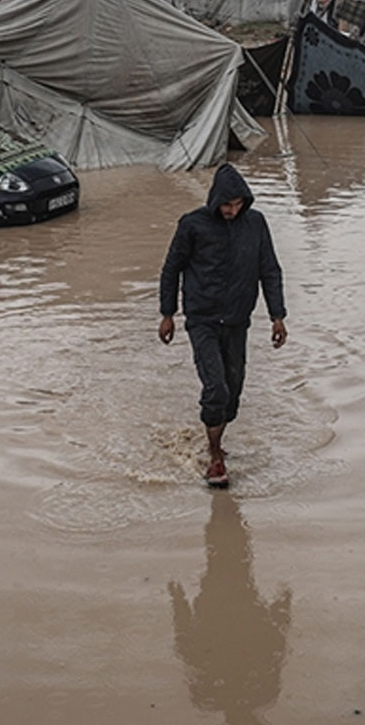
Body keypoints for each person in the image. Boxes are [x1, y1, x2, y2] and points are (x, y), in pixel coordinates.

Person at [159, 164, 287, 489]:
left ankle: (215, 435)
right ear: (215, 201)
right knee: (215, 386)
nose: (231, 211)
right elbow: (171, 269)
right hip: (202, 320)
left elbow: (269, 269)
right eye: (226, 205)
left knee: (233, 391)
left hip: (237, 321)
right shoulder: (193, 225)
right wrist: (168, 313)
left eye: (237, 205)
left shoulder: (255, 224)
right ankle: (216, 459)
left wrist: (277, 316)